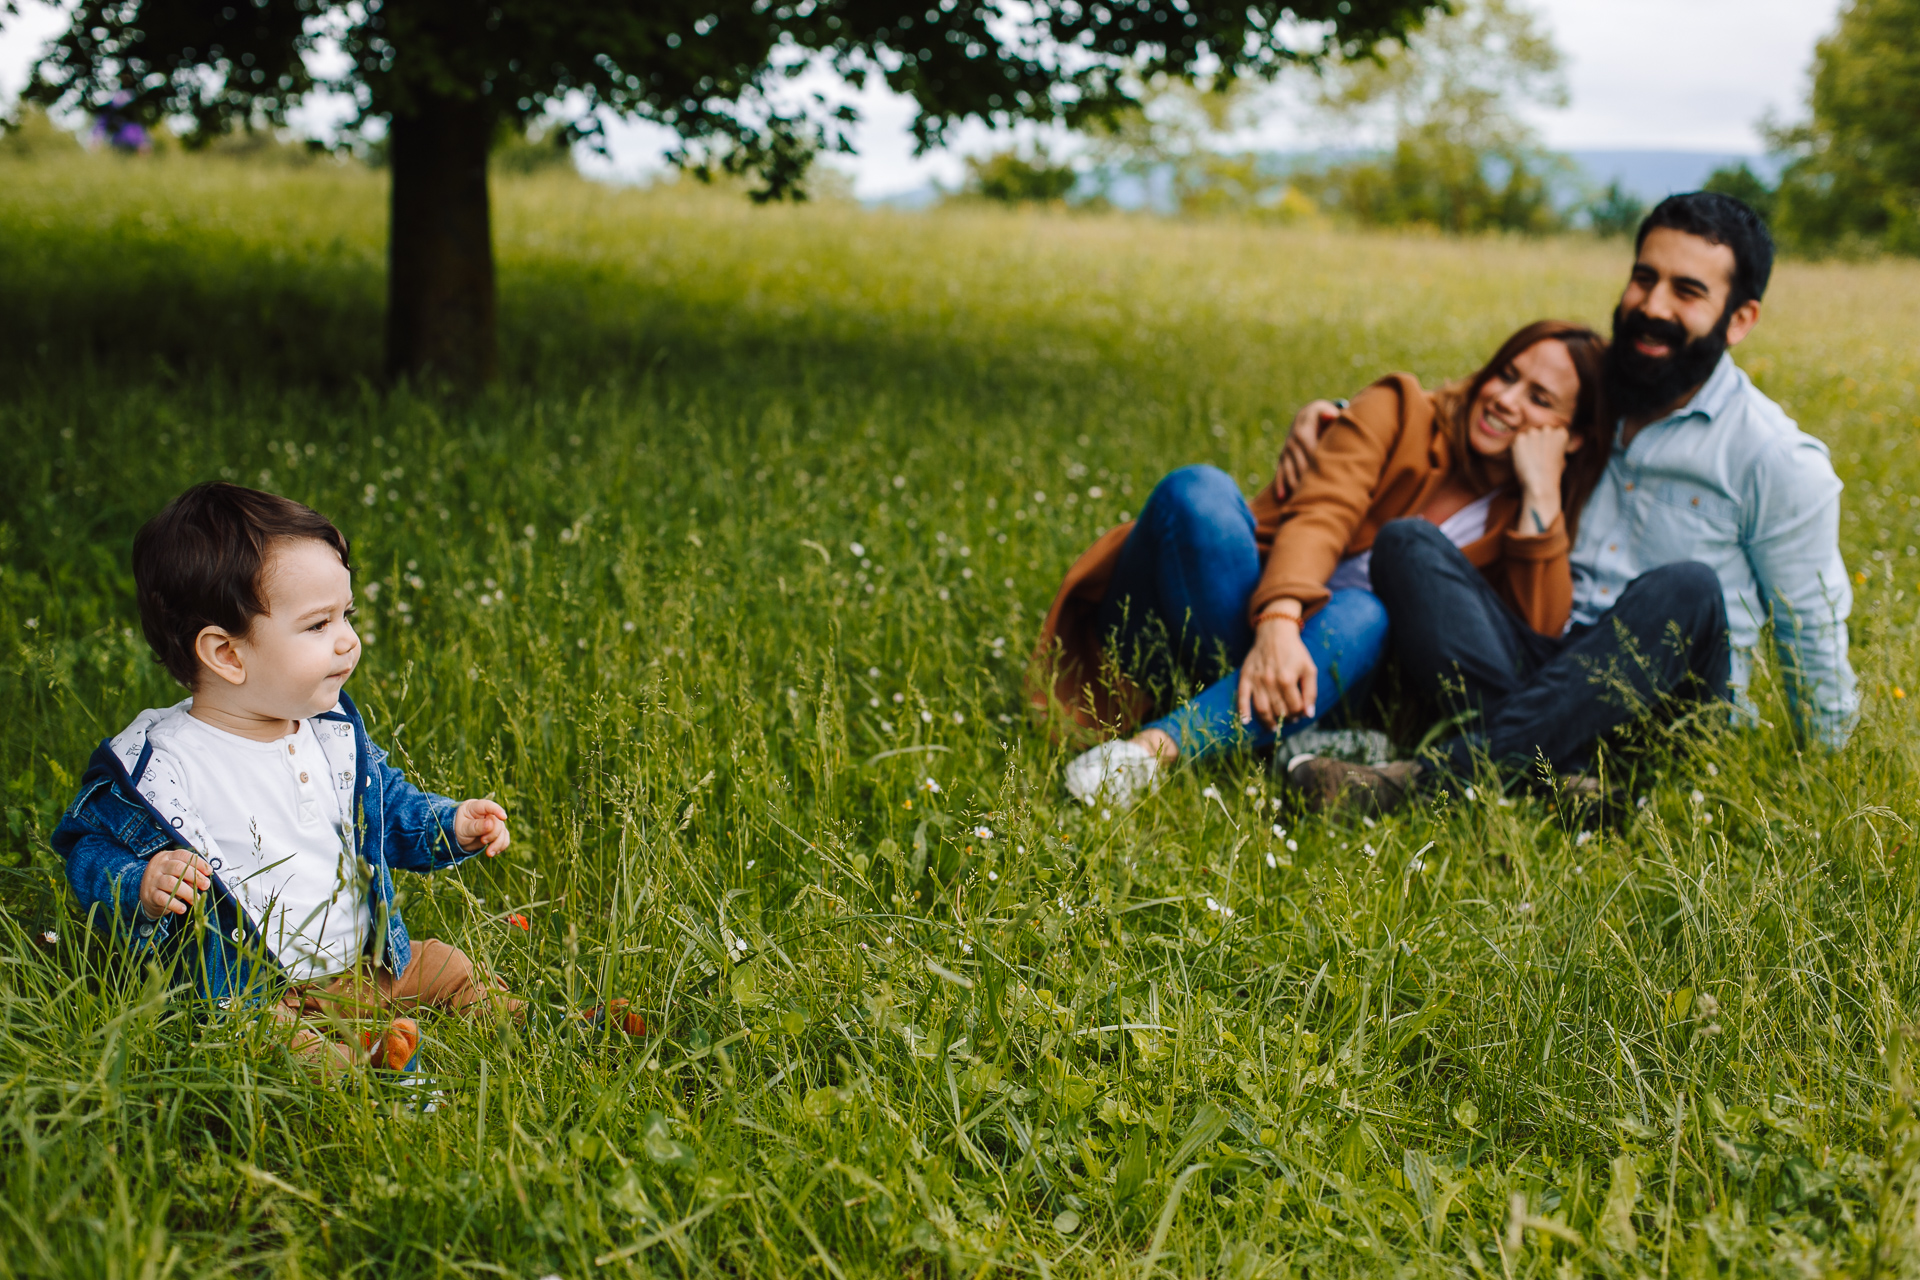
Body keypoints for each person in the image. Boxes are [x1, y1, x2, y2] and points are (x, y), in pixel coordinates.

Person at [1290, 191, 1857, 812]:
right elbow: (1473, 408)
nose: (1653, 305)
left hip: (1661, 703)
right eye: (1645, 278)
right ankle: (1561, 783)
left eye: (1687, 291)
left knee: (1686, 589)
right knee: (1406, 543)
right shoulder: (1597, 390)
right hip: (1537, 664)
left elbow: (1812, 626)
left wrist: (1825, 776)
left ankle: (1423, 784)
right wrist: (1344, 418)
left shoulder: (1773, 457)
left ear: (1740, 319)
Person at [1036, 319, 1612, 808]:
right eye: (1506, 375)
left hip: (1339, 670)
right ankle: (1244, 725)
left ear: (1575, 437)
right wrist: (1279, 622)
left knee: (1365, 611)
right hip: (1244, 610)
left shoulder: (1526, 519)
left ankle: (1156, 749)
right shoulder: (1401, 408)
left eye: (1539, 399)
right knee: (1198, 491)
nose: (1506, 401)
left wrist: (1541, 499)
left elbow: (1527, 645)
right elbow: (1322, 511)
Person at [53, 483, 517, 1073]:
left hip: (365, 967)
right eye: (318, 624)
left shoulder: (327, 732)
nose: (348, 639)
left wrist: (450, 823)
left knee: (447, 968)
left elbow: (386, 809)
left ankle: (524, 1022)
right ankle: (364, 1070)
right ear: (227, 655)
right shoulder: (164, 767)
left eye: (346, 615)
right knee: (277, 1045)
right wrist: (141, 880)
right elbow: (85, 850)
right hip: (260, 992)